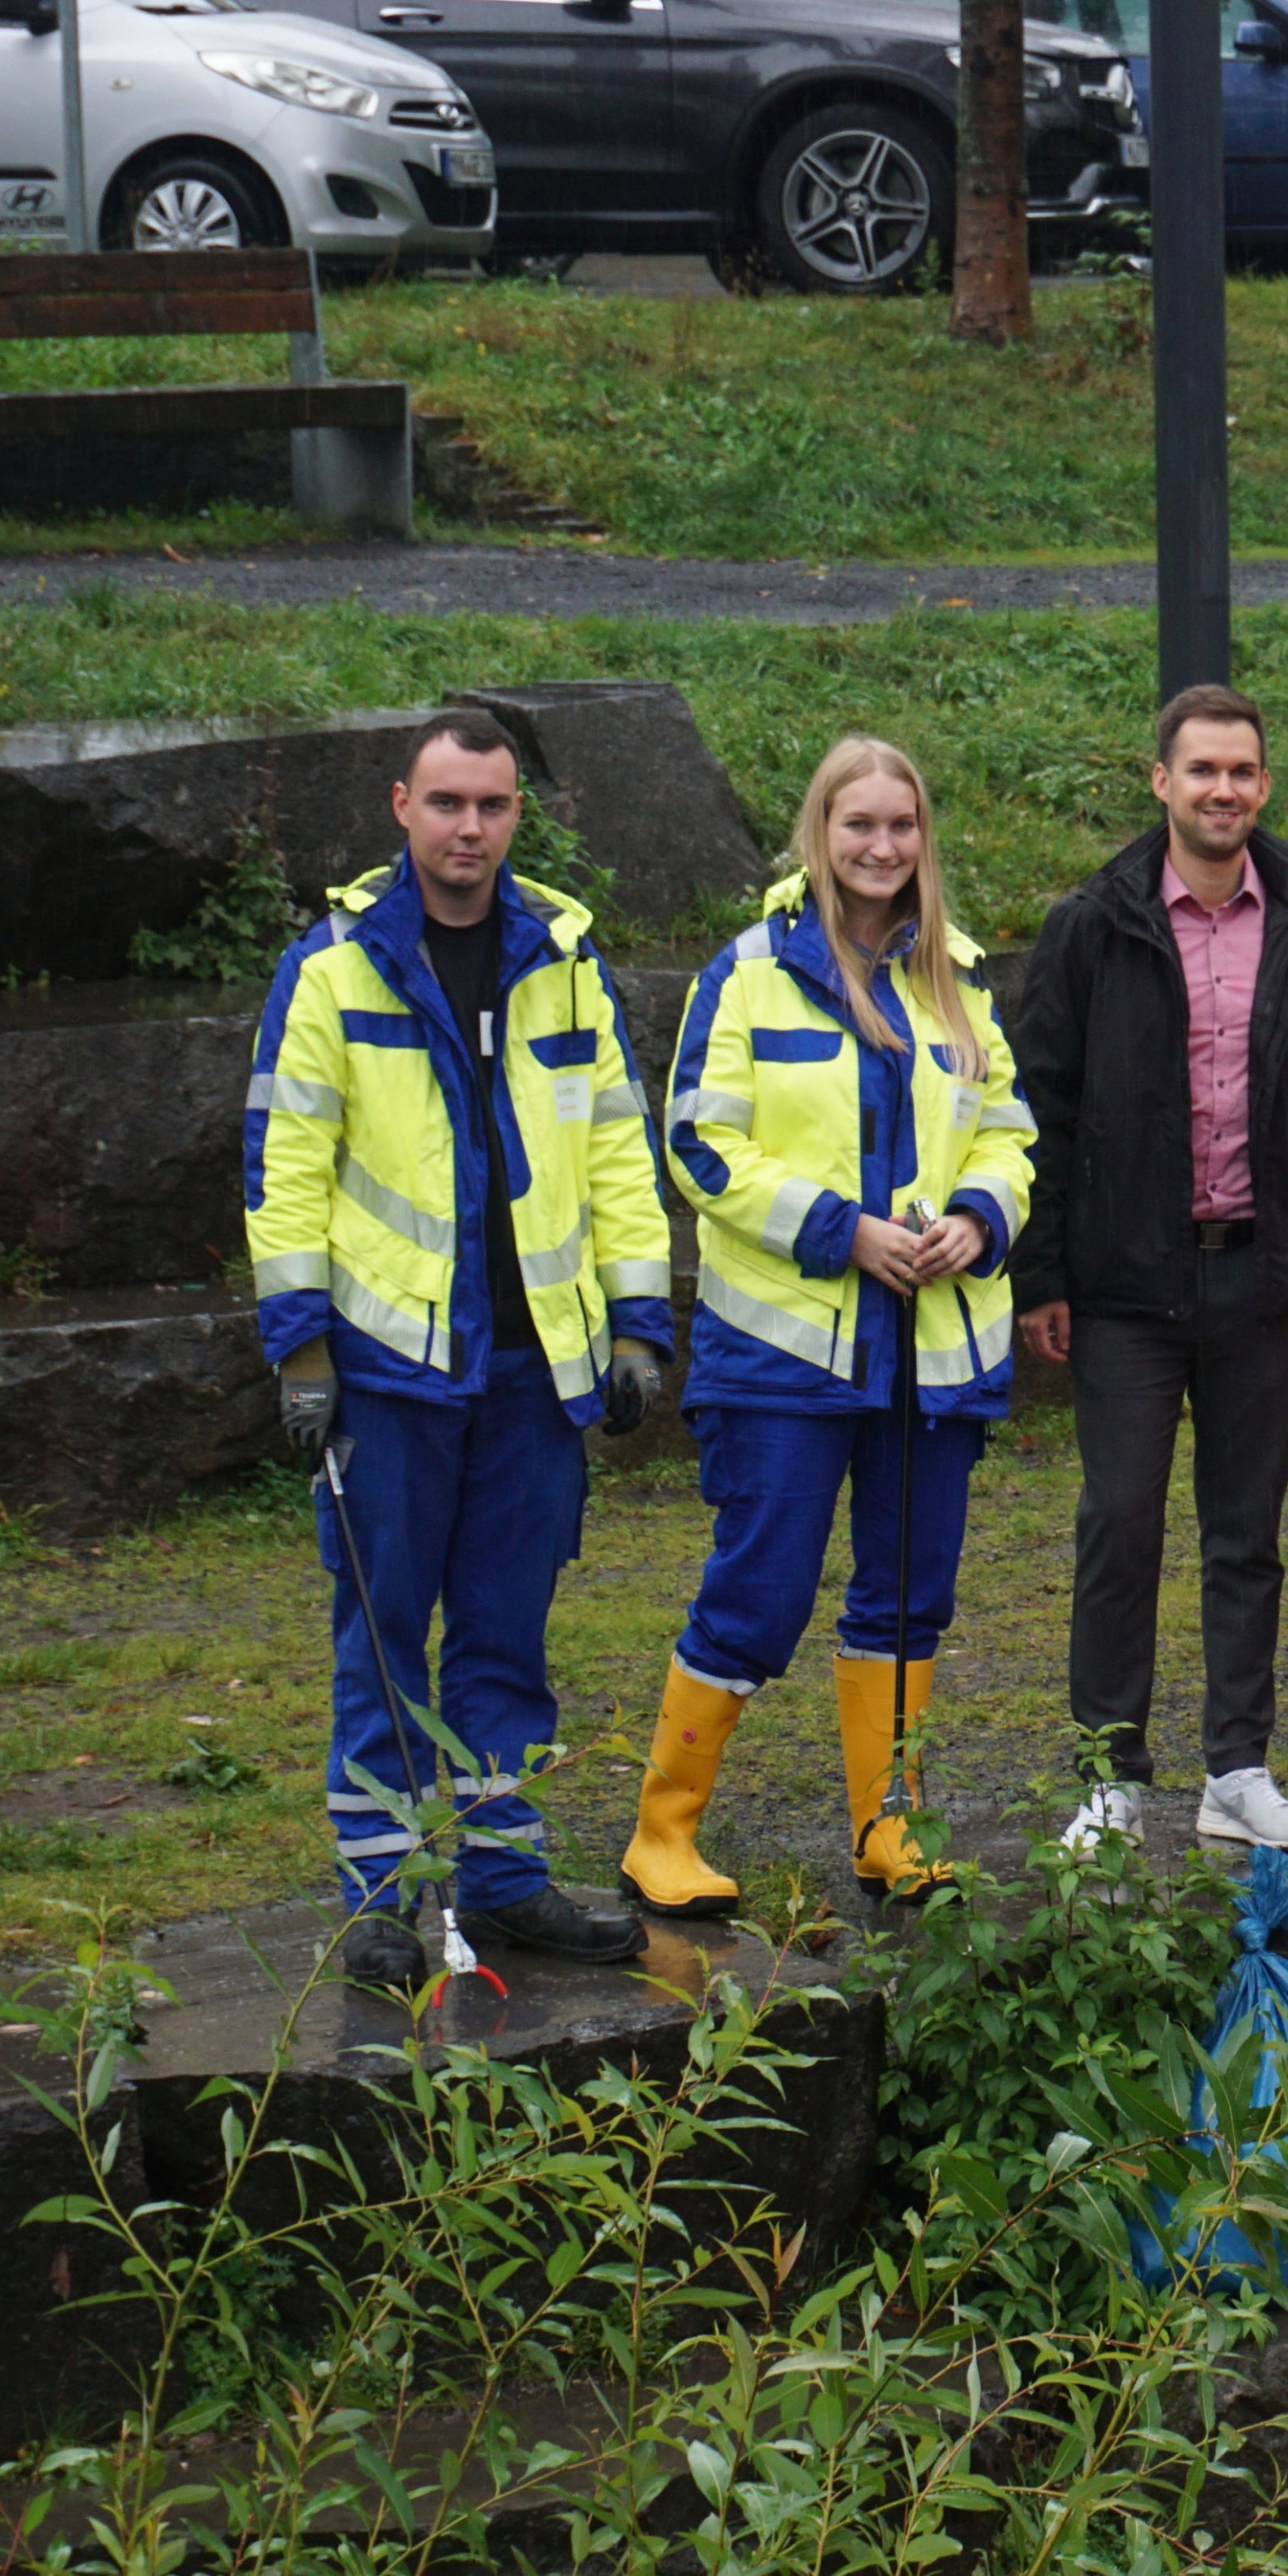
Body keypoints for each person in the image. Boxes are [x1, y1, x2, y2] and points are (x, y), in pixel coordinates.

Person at [246, 708, 675, 1989]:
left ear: (515, 817)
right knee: (383, 1635)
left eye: (490, 806)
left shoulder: (563, 960)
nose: (469, 828)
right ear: (400, 807)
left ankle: (501, 1876)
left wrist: (640, 1322)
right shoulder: (330, 970)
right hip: (388, 1368)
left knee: (505, 1632)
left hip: (533, 1372)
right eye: (446, 803)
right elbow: (283, 1169)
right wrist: (301, 1349)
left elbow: (615, 1147)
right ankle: (382, 1892)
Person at [626, 737, 1035, 1915]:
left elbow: (1011, 1132)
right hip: (786, 1355)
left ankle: (886, 1829)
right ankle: (664, 1831)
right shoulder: (746, 974)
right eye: (858, 824)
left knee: (911, 1593)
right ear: (819, 833)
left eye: (901, 826)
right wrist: (841, 1231)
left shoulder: (954, 983)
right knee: (761, 1588)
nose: (881, 847)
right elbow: (700, 1141)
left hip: (932, 1347)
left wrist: (976, 1216)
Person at [1010, 684, 1288, 1851]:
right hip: (1127, 1282)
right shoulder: (1095, 921)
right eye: (1202, 770)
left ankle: (1238, 1767)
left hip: (1268, 1280)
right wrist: (1044, 1273)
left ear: (1263, 785)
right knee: (1119, 1521)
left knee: (1247, 1531)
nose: (1224, 789)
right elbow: (1043, 1103)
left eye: (1243, 771)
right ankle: (1111, 1770)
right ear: (1159, 780)